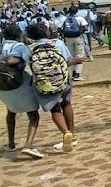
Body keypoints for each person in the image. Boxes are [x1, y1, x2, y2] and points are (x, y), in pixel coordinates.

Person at [0, 25, 42, 159]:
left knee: (11, 112)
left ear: (4, 36)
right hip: (20, 85)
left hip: (3, 87)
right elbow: (30, 62)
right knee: (33, 115)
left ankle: (11, 144)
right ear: (19, 35)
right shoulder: (20, 47)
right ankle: (28, 146)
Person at [26, 23, 84, 153]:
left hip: (44, 82)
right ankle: (72, 134)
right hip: (63, 79)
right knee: (67, 104)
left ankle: (65, 133)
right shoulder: (57, 43)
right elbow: (67, 61)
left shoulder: (29, 49)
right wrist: (75, 61)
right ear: (47, 32)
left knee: (55, 109)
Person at [61, 6, 88, 81]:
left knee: (72, 56)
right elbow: (85, 28)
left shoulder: (64, 18)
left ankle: (73, 73)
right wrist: (80, 31)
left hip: (67, 38)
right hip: (77, 38)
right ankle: (77, 75)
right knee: (80, 55)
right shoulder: (79, 18)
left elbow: (60, 28)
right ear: (77, 11)